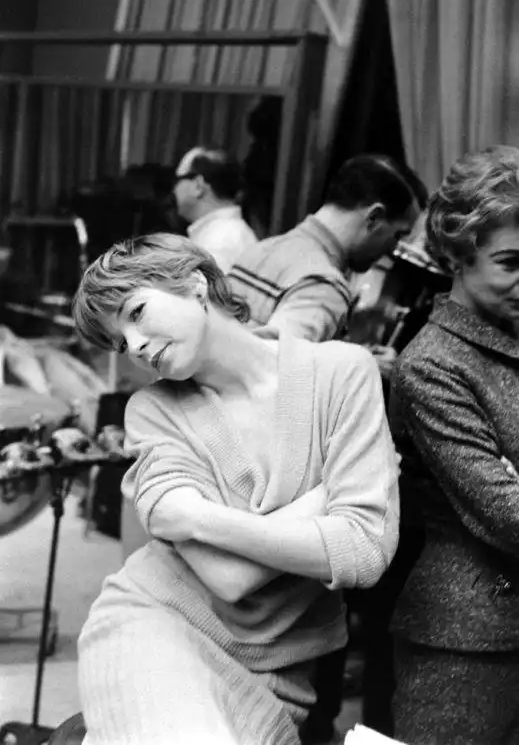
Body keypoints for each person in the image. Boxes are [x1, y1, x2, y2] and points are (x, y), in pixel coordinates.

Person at [72, 232, 400, 745]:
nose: (134, 346)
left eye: (136, 313)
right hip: (154, 624)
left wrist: (197, 517)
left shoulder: (343, 373)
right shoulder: (152, 412)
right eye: (119, 343)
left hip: (279, 673)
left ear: (195, 284)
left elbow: (365, 552)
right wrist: (323, 499)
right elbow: (227, 578)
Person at [389, 145, 519, 744]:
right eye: (510, 263)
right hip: (466, 638)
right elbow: (506, 514)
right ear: (458, 256)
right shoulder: (431, 364)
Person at [227, 153, 426, 343]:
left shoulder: (260, 249)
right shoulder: (324, 286)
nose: (394, 248)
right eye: (398, 234)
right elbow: (277, 361)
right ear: (374, 217)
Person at [172, 145, 258, 272]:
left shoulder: (217, 243)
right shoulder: (228, 233)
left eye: (178, 180)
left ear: (198, 186)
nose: (174, 189)